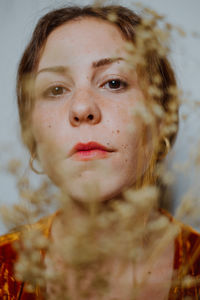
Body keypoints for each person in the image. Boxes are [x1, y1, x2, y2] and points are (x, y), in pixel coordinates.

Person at [0, 4, 200, 300]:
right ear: (33, 134)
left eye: (114, 82)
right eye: (56, 89)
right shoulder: (6, 270)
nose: (82, 109)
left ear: (161, 119)